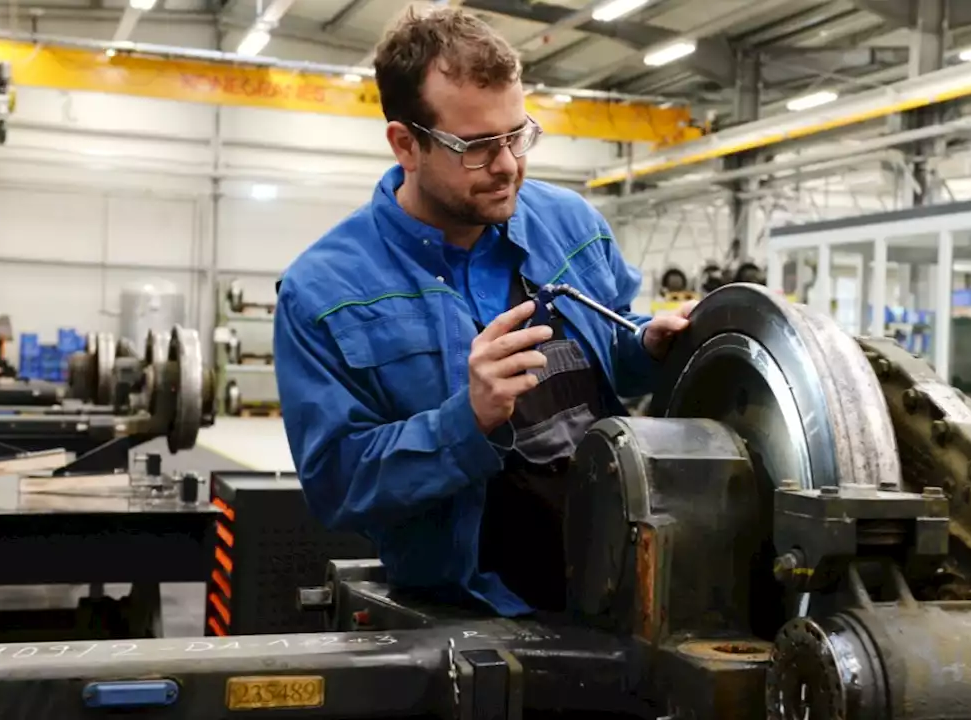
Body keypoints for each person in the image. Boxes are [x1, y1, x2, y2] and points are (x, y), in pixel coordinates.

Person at [273, 5, 694, 618]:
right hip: (468, 610)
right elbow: (338, 484)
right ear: (406, 144)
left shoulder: (570, 223)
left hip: (620, 580)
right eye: (475, 146)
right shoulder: (324, 290)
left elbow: (618, 361)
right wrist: (465, 422)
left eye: (517, 135)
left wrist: (649, 348)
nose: (507, 165)